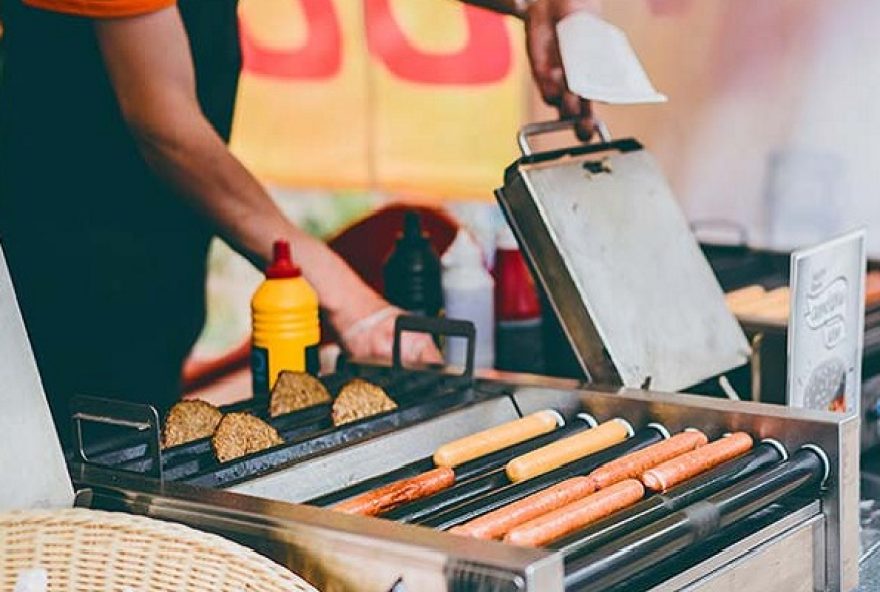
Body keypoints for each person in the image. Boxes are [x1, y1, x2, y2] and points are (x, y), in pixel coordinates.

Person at [0, 0, 596, 442]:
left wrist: (534, 5)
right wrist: (349, 301)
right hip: (62, 259)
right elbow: (166, 128)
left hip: (155, 257)